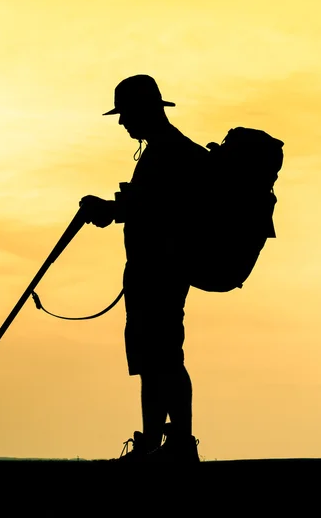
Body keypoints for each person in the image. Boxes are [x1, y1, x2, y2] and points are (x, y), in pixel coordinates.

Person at [79, 75, 207, 463]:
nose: (122, 123)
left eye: (125, 114)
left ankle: (176, 444)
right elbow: (151, 206)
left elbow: (160, 210)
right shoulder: (167, 150)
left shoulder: (167, 152)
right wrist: (115, 209)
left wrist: (109, 210)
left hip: (160, 272)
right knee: (155, 359)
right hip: (154, 270)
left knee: (163, 356)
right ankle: (156, 444)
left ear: (144, 111)